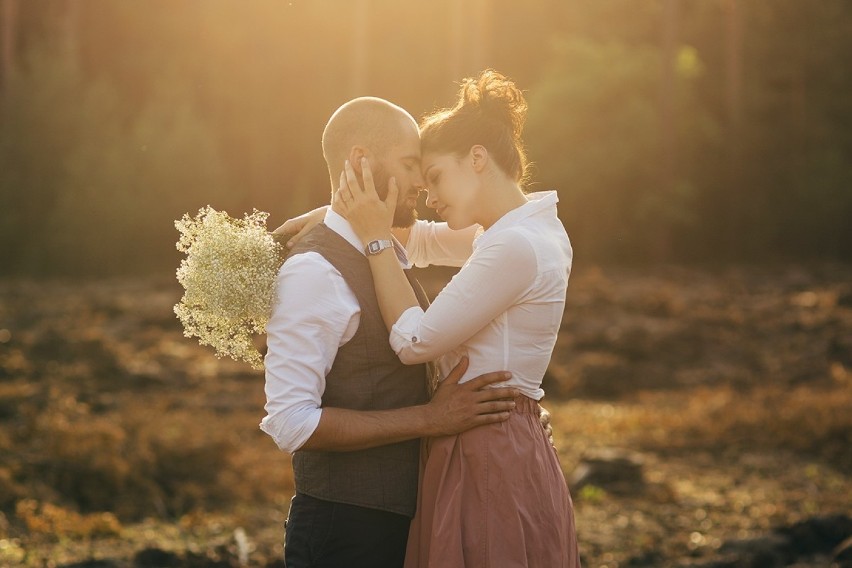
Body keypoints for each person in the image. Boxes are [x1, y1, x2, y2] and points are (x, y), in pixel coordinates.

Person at [260, 96, 522, 568]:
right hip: (345, 531)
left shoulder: (381, 249)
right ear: (360, 161)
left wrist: (338, 212)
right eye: (408, 164)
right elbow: (291, 422)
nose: (421, 182)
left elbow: (500, 226)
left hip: (400, 523)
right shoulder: (314, 272)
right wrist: (430, 419)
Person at [334, 70, 580, 567]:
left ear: (477, 157)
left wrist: (376, 242)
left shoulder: (515, 245)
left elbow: (414, 341)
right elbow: (420, 239)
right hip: (497, 437)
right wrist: (330, 218)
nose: (429, 196)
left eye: (436, 178)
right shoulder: (531, 230)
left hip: (486, 448)